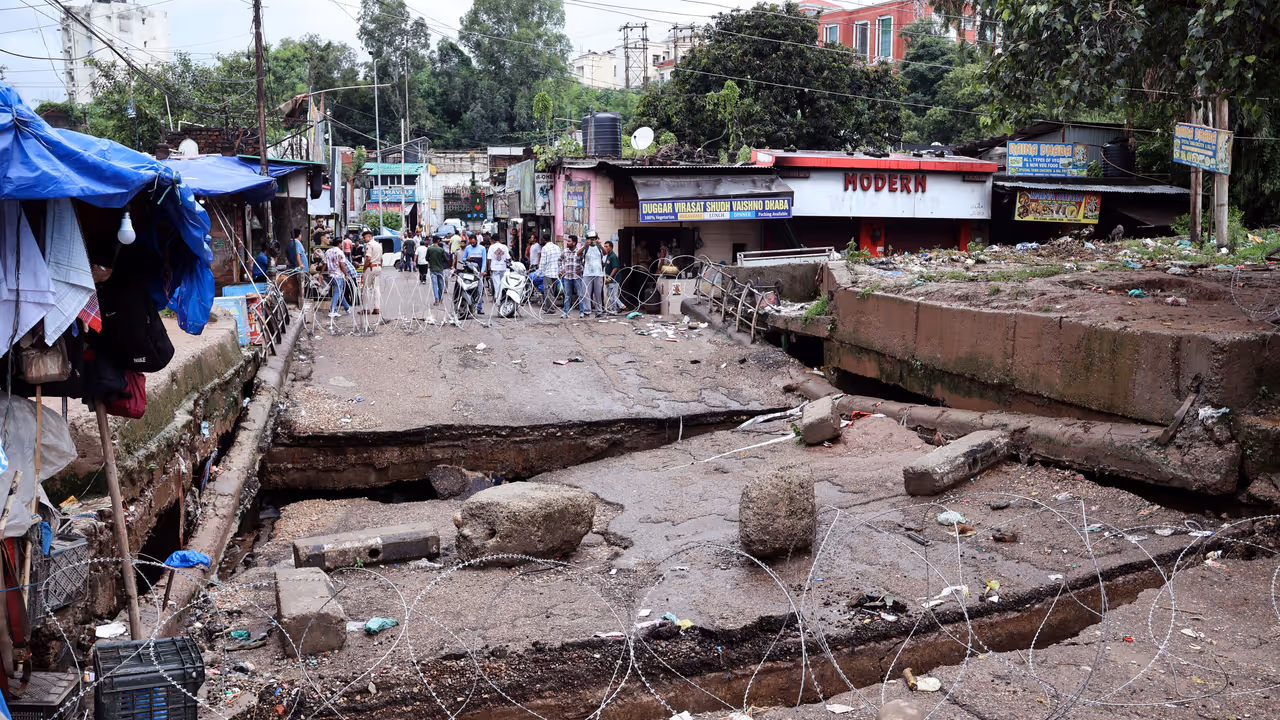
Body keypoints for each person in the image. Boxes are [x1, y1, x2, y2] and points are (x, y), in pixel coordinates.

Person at [579, 229, 606, 318]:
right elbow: (578, 254)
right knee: (586, 293)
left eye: (594, 239)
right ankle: (587, 311)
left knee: (598, 293)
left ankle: (599, 311)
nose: (592, 240)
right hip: (587, 273)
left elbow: (606, 253)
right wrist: (584, 245)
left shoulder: (599, 248)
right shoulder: (585, 248)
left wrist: (600, 245)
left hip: (598, 273)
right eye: (590, 239)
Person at [461, 233, 488, 313]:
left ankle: (479, 307)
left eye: (474, 242)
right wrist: (467, 259)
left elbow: (484, 261)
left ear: (476, 241)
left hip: (479, 272)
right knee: (469, 288)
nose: (472, 244)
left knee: (479, 290)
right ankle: (469, 305)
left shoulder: (482, 248)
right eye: (471, 242)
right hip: (469, 272)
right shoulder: (468, 248)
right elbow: (463, 259)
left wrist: (482, 271)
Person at [323, 245, 352, 317]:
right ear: (339, 244)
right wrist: (346, 274)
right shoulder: (340, 252)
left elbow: (324, 264)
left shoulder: (328, 252)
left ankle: (347, 307)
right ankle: (333, 310)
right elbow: (342, 265)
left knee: (340, 292)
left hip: (331, 275)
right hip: (338, 276)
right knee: (337, 293)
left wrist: (321, 273)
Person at [559, 235, 584, 319]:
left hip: (577, 276)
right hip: (567, 276)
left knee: (580, 295)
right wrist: (561, 269)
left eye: (569, 241)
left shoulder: (579, 252)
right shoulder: (565, 251)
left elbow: (585, 261)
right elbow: (559, 260)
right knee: (567, 295)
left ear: (574, 243)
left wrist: (582, 270)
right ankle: (566, 313)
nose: (567, 242)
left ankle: (582, 312)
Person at [361, 230, 383, 315]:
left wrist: (364, 268)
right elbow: (381, 258)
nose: (364, 239)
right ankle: (377, 308)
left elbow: (368, 258)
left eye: (364, 237)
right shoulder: (378, 245)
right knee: (376, 288)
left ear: (369, 237)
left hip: (370, 268)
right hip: (378, 267)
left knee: (366, 288)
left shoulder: (369, 245)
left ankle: (366, 309)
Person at [538, 235, 562, 312]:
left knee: (548, 291)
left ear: (544, 240)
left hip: (548, 273)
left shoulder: (545, 248)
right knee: (552, 291)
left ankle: (551, 309)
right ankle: (548, 307)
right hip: (555, 272)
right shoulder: (557, 247)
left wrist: (539, 272)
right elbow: (560, 260)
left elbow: (543, 262)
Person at [488, 234, 511, 301]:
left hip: (495, 267)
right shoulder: (504, 247)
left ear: (493, 240)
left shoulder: (491, 247)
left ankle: (498, 297)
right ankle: (503, 296)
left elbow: (489, 258)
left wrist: (488, 268)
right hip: (503, 267)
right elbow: (509, 257)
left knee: (496, 283)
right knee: (502, 282)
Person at [426, 237, 449, 304]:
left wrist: (431, 260)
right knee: (441, 284)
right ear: (438, 241)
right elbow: (445, 259)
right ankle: (440, 297)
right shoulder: (441, 249)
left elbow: (427, 258)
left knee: (435, 285)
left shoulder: (429, 249)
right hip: (440, 269)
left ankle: (437, 300)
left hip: (433, 269)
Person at [603, 239, 621, 314]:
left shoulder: (613, 256)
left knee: (612, 295)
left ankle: (617, 308)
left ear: (611, 248)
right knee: (608, 294)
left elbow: (615, 268)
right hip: (609, 278)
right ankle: (613, 308)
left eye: (606, 246)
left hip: (614, 279)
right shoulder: (608, 256)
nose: (605, 248)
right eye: (604, 246)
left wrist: (609, 278)